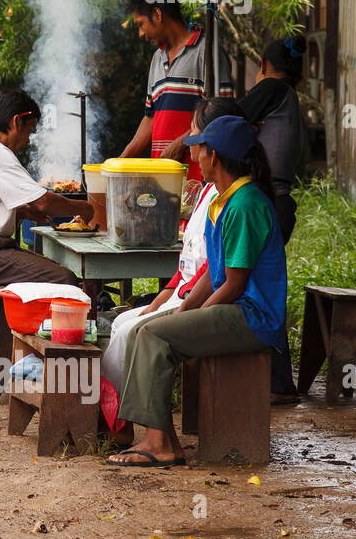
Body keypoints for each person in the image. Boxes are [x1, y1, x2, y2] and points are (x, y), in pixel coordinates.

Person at [107, 114, 286, 467]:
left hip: (253, 317)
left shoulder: (245, 204)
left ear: (214, 157)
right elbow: (212, 272)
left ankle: (158, 443)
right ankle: (164, 438)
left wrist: (195, 318)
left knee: (154, 337)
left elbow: (234, 284)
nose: (194, 157)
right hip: (234, 309)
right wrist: (184, 312)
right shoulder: (223, 200)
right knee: (146, 329)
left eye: (198, 150)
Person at [0, 88, 106, 353]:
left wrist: (24, 213)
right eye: (29, 130)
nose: (28, 140)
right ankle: (52, 360)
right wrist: (83, 208)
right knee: (64, 279)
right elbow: (43, 201)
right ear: (16, 122)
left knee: (50, 270)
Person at [101, 96, 247, 394]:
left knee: (131, 331)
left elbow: (214, 270)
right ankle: (115, 412)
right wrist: (155, 304)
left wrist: (187, 312)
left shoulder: (236, 201)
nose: (188, 143)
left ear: (213, 149)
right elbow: (185, 265)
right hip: (185, 294)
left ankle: (121, 417)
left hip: (198, 299)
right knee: (121, 323)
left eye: (193, 134)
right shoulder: (208, 190)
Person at [120, 0, 232, 183]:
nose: (140, 33)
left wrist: (182, 142)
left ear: (157, 14)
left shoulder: (207, 52)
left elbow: (221, 114)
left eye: (140, 24)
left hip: (198, 178)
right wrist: (120, 161)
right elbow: (150, 118)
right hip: (161, 177)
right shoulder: (157, 58)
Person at [240, 36, 305, 244]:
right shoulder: (290, 97)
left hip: (264, 199)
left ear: (264, 64)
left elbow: (226, 118)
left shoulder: (272, 87)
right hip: (280, 201)